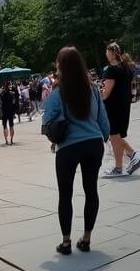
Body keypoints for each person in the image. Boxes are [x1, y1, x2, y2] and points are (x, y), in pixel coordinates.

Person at [43, 46, 110, 255]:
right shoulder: (92, 89)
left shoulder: (57, 92)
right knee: (91, 191)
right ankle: (87, 238)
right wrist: (103, 138)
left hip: (68, 148)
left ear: (62, 66)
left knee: (66, 194)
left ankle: (66, 242)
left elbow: (47, 122)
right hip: (93, 144)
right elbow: (103, 121)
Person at [101, 42, 140, 176]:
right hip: (124, 105)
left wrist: (99, 95)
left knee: (114, 137)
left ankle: (131, 156)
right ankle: (123, 164)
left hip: (113, 107)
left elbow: (106, 94)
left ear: (111, 53)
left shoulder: (110, 70)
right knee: (115, 137)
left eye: (106, 52)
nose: (105, 54)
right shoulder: (127, 67)